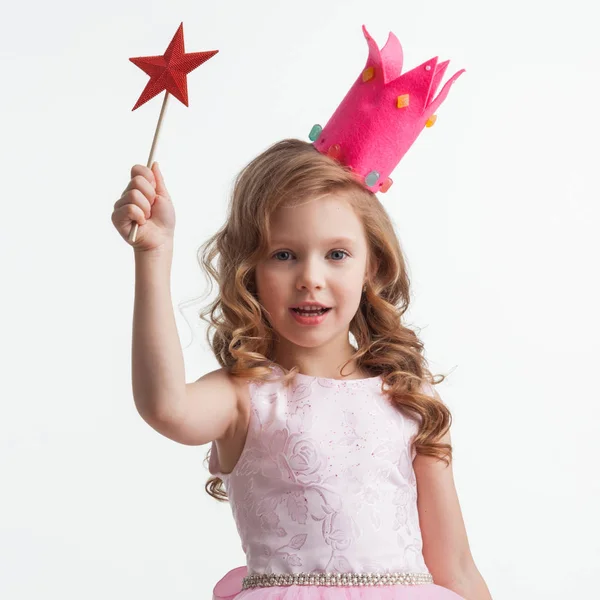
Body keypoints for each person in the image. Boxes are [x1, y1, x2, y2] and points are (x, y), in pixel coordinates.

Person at [111, 26, 492, 600]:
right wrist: (154, 255)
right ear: (250, 272)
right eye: (284, 254)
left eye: (337, 254)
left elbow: (457, 570)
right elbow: (166, 407)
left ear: (373, 268)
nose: (310, 275)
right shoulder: (247, 396)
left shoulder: (412, 404)